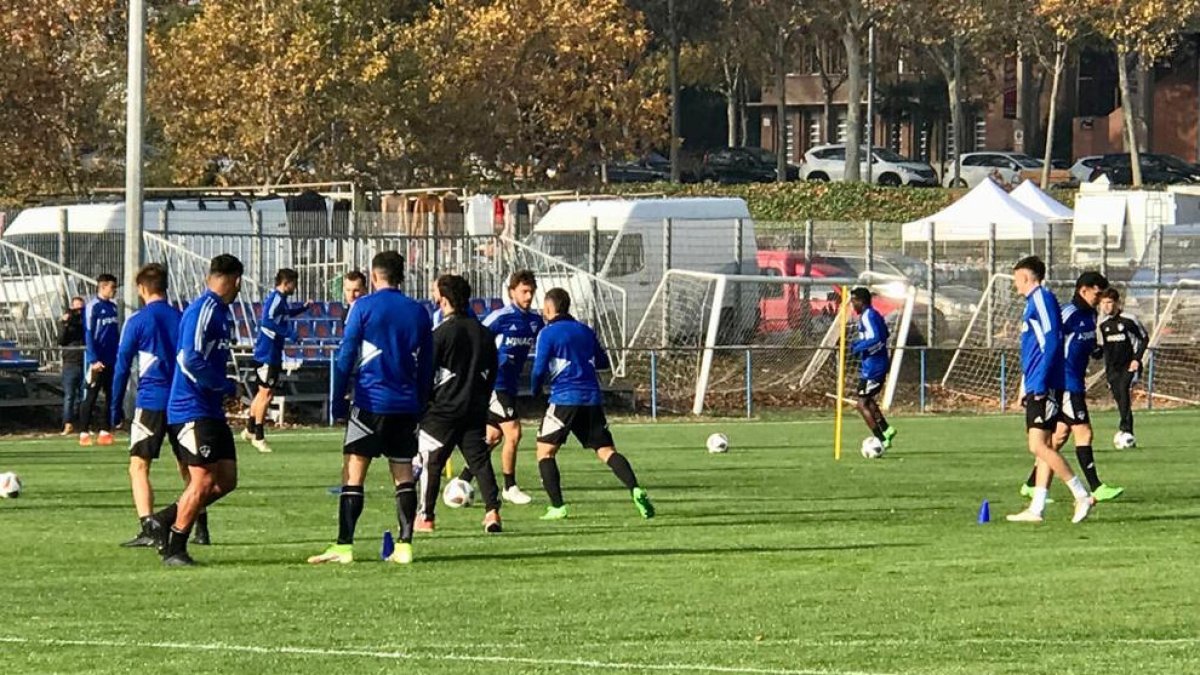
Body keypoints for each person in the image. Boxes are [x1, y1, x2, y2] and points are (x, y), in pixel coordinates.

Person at [309, 251, 433, 566]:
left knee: (353, 474)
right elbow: (427, 365)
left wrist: (337, 402)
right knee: (403, 474)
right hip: (405, 406)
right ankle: (405, 547)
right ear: (402, 276)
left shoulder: (362, 307)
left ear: (374, 276)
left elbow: (346, 356)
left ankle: (344, 546)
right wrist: (420, 403)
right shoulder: (419, 312)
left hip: (369, 403)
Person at [147, 254, 245, 566]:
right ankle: (174, 547)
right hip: (190, 409)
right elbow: (188, 358)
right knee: (202, 481)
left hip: (209, 410)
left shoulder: (220, 312)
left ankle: (164, 519)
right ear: (236, 281)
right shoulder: (204, 309)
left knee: (226, 479)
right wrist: (222, 384)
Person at [530, 288, 654, 521]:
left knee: (545, 451)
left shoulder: (548, 333)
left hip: (564, 399)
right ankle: (635, 488)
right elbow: (603, 361)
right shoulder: (585, 330)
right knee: (606, 451)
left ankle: (558, 507)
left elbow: (538, 369)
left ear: (549, 308)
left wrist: (536, 391)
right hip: (592, 399)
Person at [109, 264, 199, 547]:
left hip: (150, 402)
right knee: (190, 469)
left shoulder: (137, 321)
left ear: (142, 288)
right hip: (182, 402)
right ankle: (200, 528)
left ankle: (149, 528)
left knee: (138, 465)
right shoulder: (182, 318)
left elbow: (122, 366)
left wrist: (114, 408)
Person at [1021, 272, 1124, 503]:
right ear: (1083, 290)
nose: (1099, 299)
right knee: (1084, 432)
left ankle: (1030, 485)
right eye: (1097, 294)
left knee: (1057, 438)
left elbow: (1080, 344)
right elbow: (1050, 342)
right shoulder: (1068, 313)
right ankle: (1095, 487)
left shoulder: (1090, 316)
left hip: (1075, 380)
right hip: (1065, 383)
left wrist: (1094, 350)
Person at [1006, 256, 1095, 524]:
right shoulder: (1032, 302)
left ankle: (1081, 494)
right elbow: (1034, 348)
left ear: (1026, 277)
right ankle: (1037, 508)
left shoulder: (1041, 299)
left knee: (1036, 445)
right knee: (1044, 445)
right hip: (1036, 381)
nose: (1015, 284)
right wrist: (1026, 383)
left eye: (1016, 279)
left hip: (1044, 384)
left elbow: (1053, 340)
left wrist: (1041, 383)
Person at [415, 274, 503, 534]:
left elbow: (426, 373)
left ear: (443, 299)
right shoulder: (485, 334)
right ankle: (492, 512)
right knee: (479, 462)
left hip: (443, 410)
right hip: (474, 407)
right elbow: (493, 371)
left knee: (432, 462)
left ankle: (426, 517)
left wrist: (423, 404)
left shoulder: (440, 334)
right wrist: (483, 401)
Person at [455, 269, 544, 505]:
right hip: (495, 384)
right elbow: (476, 338)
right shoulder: (500, 317)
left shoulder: (535, 321)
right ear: (512, 291)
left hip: (510, 386)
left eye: (531, 292)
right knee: (513, 432)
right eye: (524, 291)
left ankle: (462, 480)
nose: (528, 296)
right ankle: (509, 486)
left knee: (492, 437)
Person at [244, 269, 310, 453]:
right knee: (267, 395)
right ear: (286, 282)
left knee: (262, 393)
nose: (295, 287)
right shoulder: (275, 299)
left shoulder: (280, 301)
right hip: (268, 354)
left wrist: (303, 308)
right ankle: (258, 436)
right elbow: (267, 321)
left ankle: (250, 429)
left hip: (268, 353)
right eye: (294, 283)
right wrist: (290, 334)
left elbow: (284, 314)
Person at [1097, 287, 1149, 445]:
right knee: (1119, 397)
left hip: (1129, 365)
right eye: (1103, 303)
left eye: (1110, 302)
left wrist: (1136, 359)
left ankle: (1126, 429)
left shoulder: (1129, 319)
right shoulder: (1102, 324)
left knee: (1124, 392)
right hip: (1112, 368)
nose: (1107, 306)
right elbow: (1103, 348)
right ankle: (1126, 430)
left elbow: (1144, 338)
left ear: (1117, 303)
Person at [849, 287, 896, 449]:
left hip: (874, 367)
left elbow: (877, 338)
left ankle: (881, 439)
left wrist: (859, 347)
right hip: (872, 365)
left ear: (861, 302)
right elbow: (885, 334)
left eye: (853, 301)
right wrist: (860, 345)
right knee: (867, 400)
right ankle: (886, 429)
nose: (852, 305)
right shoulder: (872, 315)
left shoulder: (868, 315)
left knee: (861, 404)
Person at [79, 274, 121, 447]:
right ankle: (83, 431)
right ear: (102, 287)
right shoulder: (92, 307)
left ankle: (105, 430)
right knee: (91, 395)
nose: (114, 291)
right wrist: (93, 359)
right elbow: (88, 333)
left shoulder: (113, 307)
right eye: (112, 287)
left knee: (111, 395)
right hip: (98, 360)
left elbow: (114, 333)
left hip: (112, 359)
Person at [58, 296, 86, 436]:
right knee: (69, 396)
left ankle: (83, 424)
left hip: (84, 362)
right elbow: (61, 340)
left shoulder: (86, 322)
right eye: (76, 309)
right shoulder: (67, 322)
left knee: (84, 396)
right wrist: (65, 323)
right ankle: (68, 423)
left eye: (81, 309)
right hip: (70, 362)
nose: (79, 312)